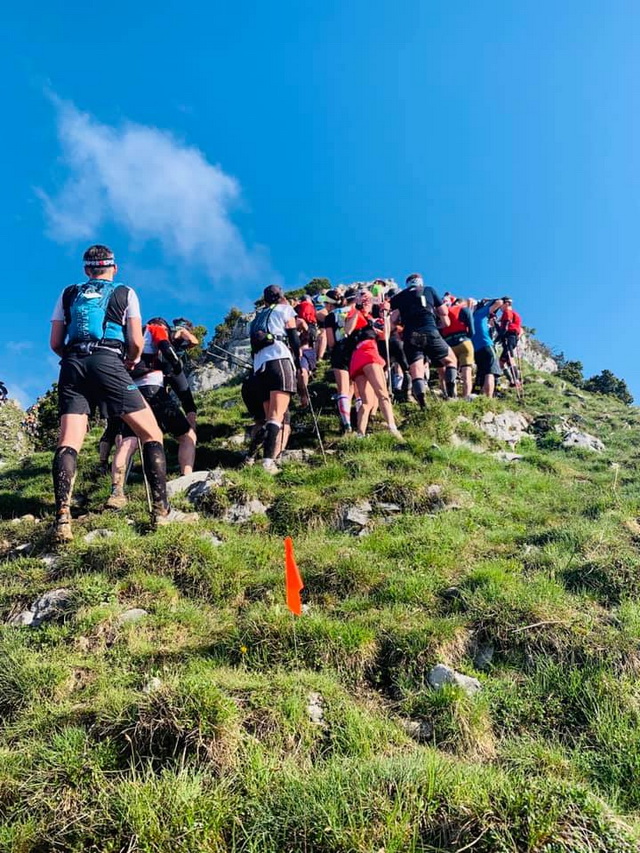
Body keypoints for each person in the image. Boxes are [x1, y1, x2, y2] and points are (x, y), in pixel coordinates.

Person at [49, 244, 196, 541]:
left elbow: (55, 342)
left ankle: (62, 518)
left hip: (72, 365)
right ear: (113, 268)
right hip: (109, 360)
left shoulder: (68, 293)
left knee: (69, 441)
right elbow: (136, 342)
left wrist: (76, 357)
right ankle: (160, 512)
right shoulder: (125, 292)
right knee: (151, 433)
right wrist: (127, 360)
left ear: (86, 269)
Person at [105, 317, 198, 509]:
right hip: (153, 389)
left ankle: (117, 490)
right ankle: (186, 478)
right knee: (187, 436)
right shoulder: (156, 329)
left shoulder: (131, 334)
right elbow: (168, 347)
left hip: (130, 390)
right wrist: (176, 363)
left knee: (129, 441)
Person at [249, 284, 302, 472]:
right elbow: (293, 336)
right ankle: (267, 462)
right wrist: (299, 359)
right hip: (279, 359)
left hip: (259, 367)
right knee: (276, 416)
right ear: (281, 297)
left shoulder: (256, 318)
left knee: (268, 415)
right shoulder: (286, 309)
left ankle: (250, 456)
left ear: (264, 300)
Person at [389, 274, 457, 407]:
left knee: (416, 370)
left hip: (412, 334)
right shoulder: (429, 290)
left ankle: (422, 404)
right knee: (451, 360)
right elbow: (443, 311)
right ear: (420, 282)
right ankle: (450, 393)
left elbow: (393, 319)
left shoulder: (399, 297)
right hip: (429, 328)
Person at [344, 290, 402, 440]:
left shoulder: (370, 319)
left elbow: (385, 335)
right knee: (382, 393)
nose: (368, 303)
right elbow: (348, 330)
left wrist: (385, 315)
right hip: (369, 354)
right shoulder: (355, 313)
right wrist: (357, 309)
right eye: (366, 300)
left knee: (366, 401)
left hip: (357, 358)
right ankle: (392, 428)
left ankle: (360, 434)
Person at [325, 288, 356, 433]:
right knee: (354, 387)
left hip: (339, 350)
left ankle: (346, 424)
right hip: (355, 350)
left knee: (342, 388)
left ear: (330, 304)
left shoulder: (330, 317)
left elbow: (330, 342)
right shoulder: (351, 311)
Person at [441, 298, 475, 399]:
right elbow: (472, 331)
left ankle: (452, 396)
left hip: (449, 344)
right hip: (464, 342)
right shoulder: (464, 310)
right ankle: (466, 397)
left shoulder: (445, 312)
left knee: (451, 368)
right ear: (460, 303)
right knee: (466, 372)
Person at [472, 298, 504, 398]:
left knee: (482, 371)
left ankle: (480, 394)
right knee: (490, 372)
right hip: (486, 345)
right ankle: (488, 398)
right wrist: (488, 300)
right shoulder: (481, 313)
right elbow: (500, 302)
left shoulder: (470, 318)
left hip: (476, 350)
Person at [498, 297, 522, 384]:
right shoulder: (515, 314)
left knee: (510, 357)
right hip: (513, 337)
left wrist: (501, 334)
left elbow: (506, 323)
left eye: (501, 305)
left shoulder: (507, 312)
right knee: (502, 361)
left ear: (506, 303)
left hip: (509, 336)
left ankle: (516, 380)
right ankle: (512, 380)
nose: (500, 308)